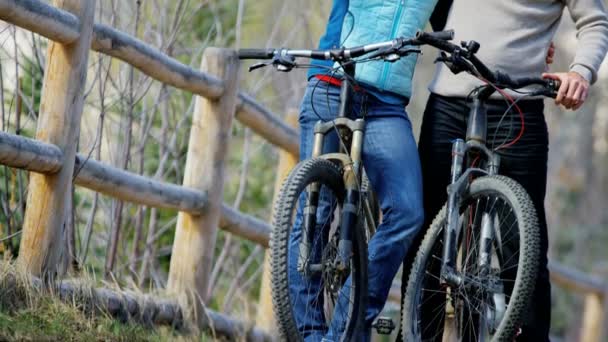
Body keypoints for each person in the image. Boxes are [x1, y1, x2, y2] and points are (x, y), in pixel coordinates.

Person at [400, 0, 608, 340]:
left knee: (524, 247)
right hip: (449, 102)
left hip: (518, 109)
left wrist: (580, 72)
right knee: (429, 237)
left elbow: (596, 23)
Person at [288, 0, 438, 341]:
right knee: (316, 211)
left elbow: (463, 22)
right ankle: (309, 334)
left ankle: (347, 324)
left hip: (386, 103)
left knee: (407, 211)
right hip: (332, 82)